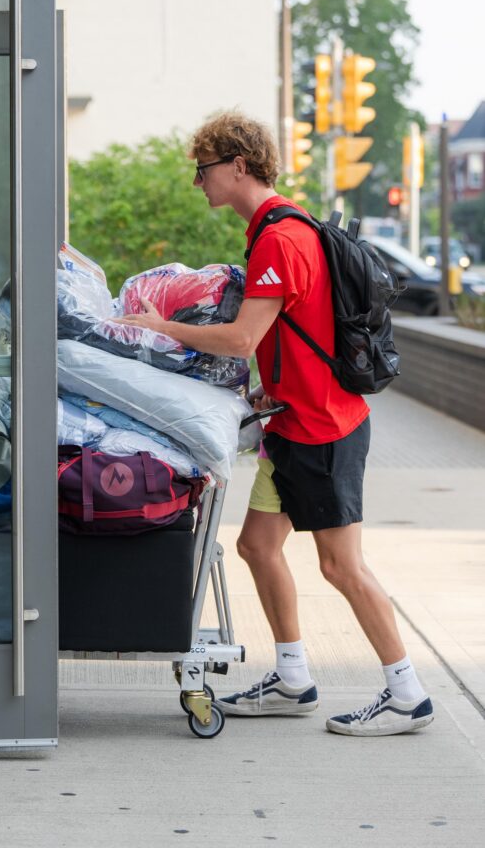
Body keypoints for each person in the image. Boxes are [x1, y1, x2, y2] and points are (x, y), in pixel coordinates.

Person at [119, 110, 433, 737]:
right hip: (290, 425)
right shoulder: (275, 229)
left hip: (323, 430)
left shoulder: (280, 240)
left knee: (342, 567)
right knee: (257, 547)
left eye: (203, 170)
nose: (198, 182)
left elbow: (239, 338)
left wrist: (157, 328)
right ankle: (293, 679)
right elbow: (287, 334)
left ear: (238, 166)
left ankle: (407, 692)